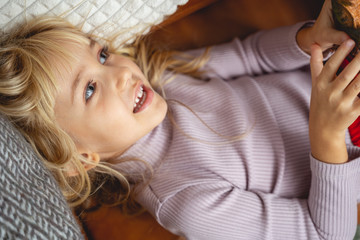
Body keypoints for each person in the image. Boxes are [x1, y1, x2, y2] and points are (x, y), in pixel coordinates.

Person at [1, 0, 360, 239]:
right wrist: (326, 134)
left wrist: (309, 39)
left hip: (337, 74)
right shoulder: (183, 200)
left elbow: (250, 56)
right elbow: (325, 233)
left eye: (103, 54)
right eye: (90, 90)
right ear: (79, 157)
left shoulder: (164, 78)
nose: (121, 73)